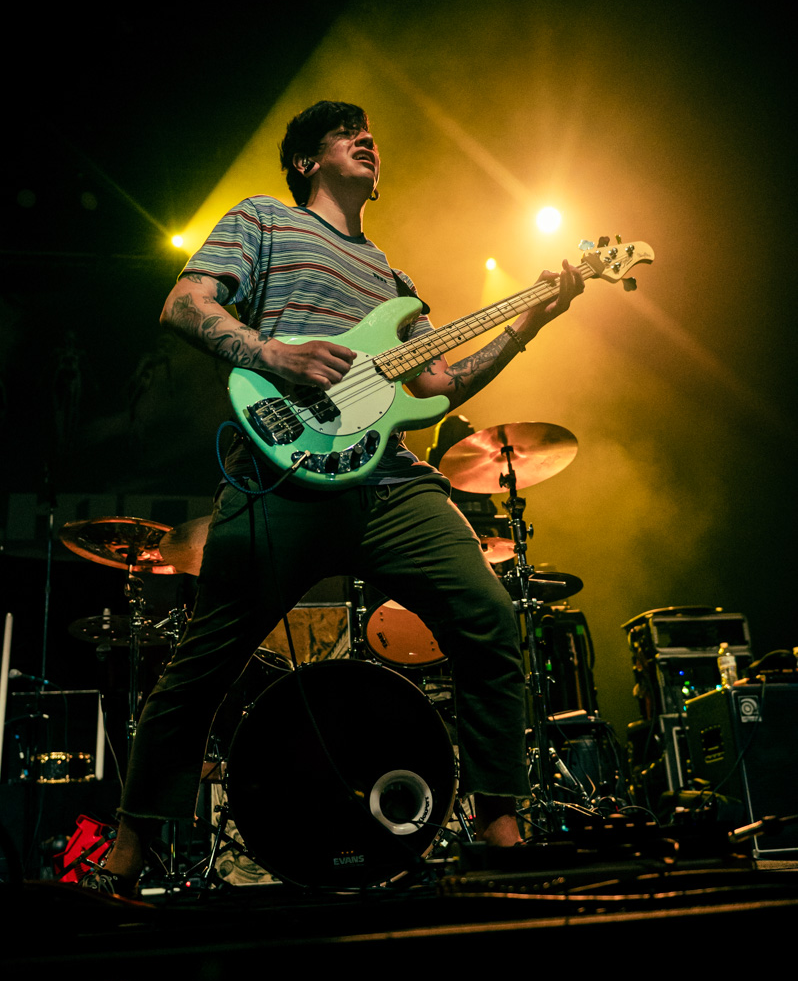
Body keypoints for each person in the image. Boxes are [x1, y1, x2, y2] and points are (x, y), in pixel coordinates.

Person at [88, 100, 584, 896]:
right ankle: (127, 852)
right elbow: (185, 304)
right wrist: (274, 354)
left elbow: (439, 385)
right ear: (305, 161)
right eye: (348, 134)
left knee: (490, 619)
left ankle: (500, 828)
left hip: (390, 485)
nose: (368, 142)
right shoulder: (264, 220)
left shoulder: (393, 279)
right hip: (280, 473)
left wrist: (529, 321)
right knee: (202, 666)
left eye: (372, 136)